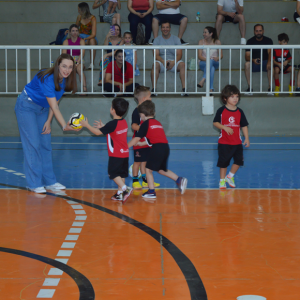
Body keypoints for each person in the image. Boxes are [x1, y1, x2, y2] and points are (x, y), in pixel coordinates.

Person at [14, 54, 79, 194]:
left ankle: (50, 181)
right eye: (64, 66)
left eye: (70, 67)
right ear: (57, 65)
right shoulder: (47, 78)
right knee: (33, 145)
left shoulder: (64, 81)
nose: (67, 70)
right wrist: (63, 125)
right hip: (26, 106)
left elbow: (54, 103)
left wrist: (49, 121)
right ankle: (34, 183)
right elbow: (55, 107)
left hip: (43, 110)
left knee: (45, 144)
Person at [128, 100, 188, 199]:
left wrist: (125, 146)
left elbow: (136, 138)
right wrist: (142, 143)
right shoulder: (157, 123)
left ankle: (151, 191)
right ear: (154, 113)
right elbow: (154, 139)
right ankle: (179, 179)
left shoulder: (145, 124)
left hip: (157, 148)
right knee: (161, 169)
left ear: (142, 115)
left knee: (148, 170)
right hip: (165, 148)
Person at [80, 98, 133, 202]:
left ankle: (125, 189)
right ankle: (120, 194)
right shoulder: (124, 122)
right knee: (121, 174)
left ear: (113, 110)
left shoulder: (112, 124)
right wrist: (104, 127)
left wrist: (87, 125)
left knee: (112, 174)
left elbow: (97, 132)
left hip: (116, 154)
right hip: (125, 154)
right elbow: (115, 132)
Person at [213, 85, 250, 189]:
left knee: (239, 162)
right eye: (232, 96)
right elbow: (215, 123)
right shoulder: (221, 110)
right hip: (224, 142)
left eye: (237, 96)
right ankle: (222, 181)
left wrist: (246, 138)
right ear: (225, 98)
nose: (235, 99)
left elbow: (244, 125)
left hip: (237, 142)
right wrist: (224, 127)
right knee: (223, 163)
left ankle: (230, 176)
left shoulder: (240, 111)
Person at [131, 86, 160, 189]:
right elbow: (133, 125)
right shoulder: (136, 111)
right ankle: (135, 180)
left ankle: (145, 181)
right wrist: (144, 129)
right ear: (143, 99)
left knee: (145, 162)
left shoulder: (147, 111)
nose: (151, 99)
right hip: (138, 141)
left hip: (146, 141)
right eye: (150, 96)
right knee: (137, 162)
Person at [151, 22, 188, 97]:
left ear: (170, 29)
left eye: (167, 27)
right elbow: (156, 55)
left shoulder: (176, 39)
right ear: (161, 29)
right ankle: (154, 89)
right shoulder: (157, 40)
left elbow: (179, 54)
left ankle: (184, 89)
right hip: (161, 61)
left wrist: (174, 62)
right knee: (155, 65)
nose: (165, 29)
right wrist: (163, 61)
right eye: (163, 27)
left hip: (174, 61)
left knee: (183, 65)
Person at [244, 24, 273, 95]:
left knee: (271, 64)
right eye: (257, 31)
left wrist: (269, 62)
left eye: (260, 31)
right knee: (247, 64)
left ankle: (270, 88)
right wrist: (253, 60)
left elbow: (270, 53)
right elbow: (247, 56)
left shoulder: (268, 40)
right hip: (254, 63)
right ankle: (250, 88)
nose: (258, 32)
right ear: (254, 32)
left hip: (265, 63)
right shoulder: (250, 41)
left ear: (263, 31)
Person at [62, 24, 87, 96]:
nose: (75, 32)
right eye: (73, 31)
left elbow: (82, 53)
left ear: (78, 32)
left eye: (76, 31)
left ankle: (84, 89)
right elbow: (64, 54)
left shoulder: (81, 41)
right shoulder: (66, 41)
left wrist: (77, 62)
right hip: (68, 59)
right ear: (69, 32)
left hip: (79, 59)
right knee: (64, 70)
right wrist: (71, 63)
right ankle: (64, 89)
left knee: (79, 69)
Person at [197, 27, 223, 93]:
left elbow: (221, 55)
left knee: (211, 61)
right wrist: (207, 59)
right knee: (212, 68)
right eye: (203, 32)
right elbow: (199, 56)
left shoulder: (217, 42)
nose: (203, 34)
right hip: (203, 62)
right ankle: (211, 89)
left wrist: (217, 58)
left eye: (205, 32)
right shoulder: (201, 42)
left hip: (215, 62)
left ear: (211, 33)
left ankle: (203, 79)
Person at [76, 2, 98, 69]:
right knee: (77, 40)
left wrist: (86, 39)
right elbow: (75, 28)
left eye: (79, 10)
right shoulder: (79, 17)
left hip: (90, 37)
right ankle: (79, 61)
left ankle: (92, 63)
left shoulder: (92, 18)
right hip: (81, 36)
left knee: (92, 41)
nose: (78, 11)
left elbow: (93, 34)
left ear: (83, 10)